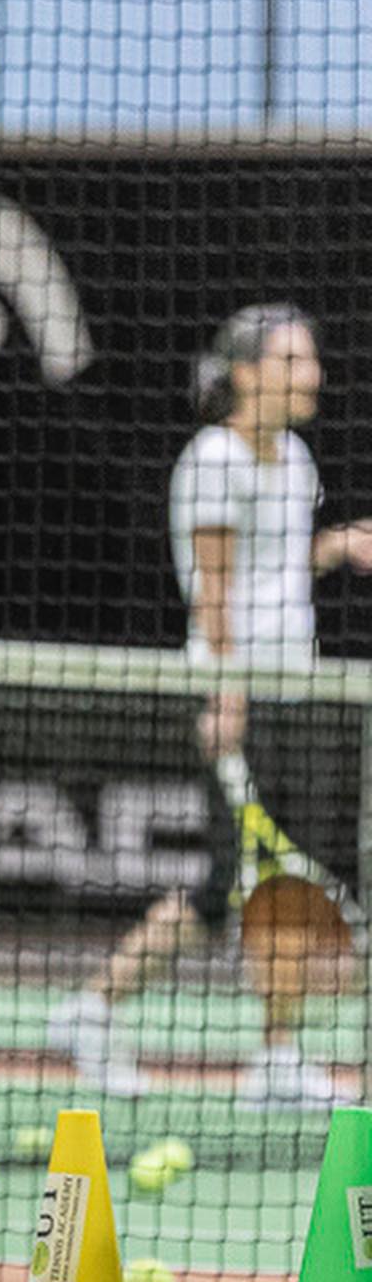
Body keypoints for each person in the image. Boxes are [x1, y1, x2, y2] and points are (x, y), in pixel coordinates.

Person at [48, 303, 372, 1106]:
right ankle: (93, 1008)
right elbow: (215, 592)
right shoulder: (214, 461)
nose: (312, 375)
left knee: (273, 883)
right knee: (227, 882)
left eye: (311, 359)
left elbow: (276, 565)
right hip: (238, 695)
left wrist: (334, 545)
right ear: (246, 373)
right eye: (293, 361)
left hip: (296, 688)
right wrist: (227, 698)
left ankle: (275, 1057)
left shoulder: (295, 458)